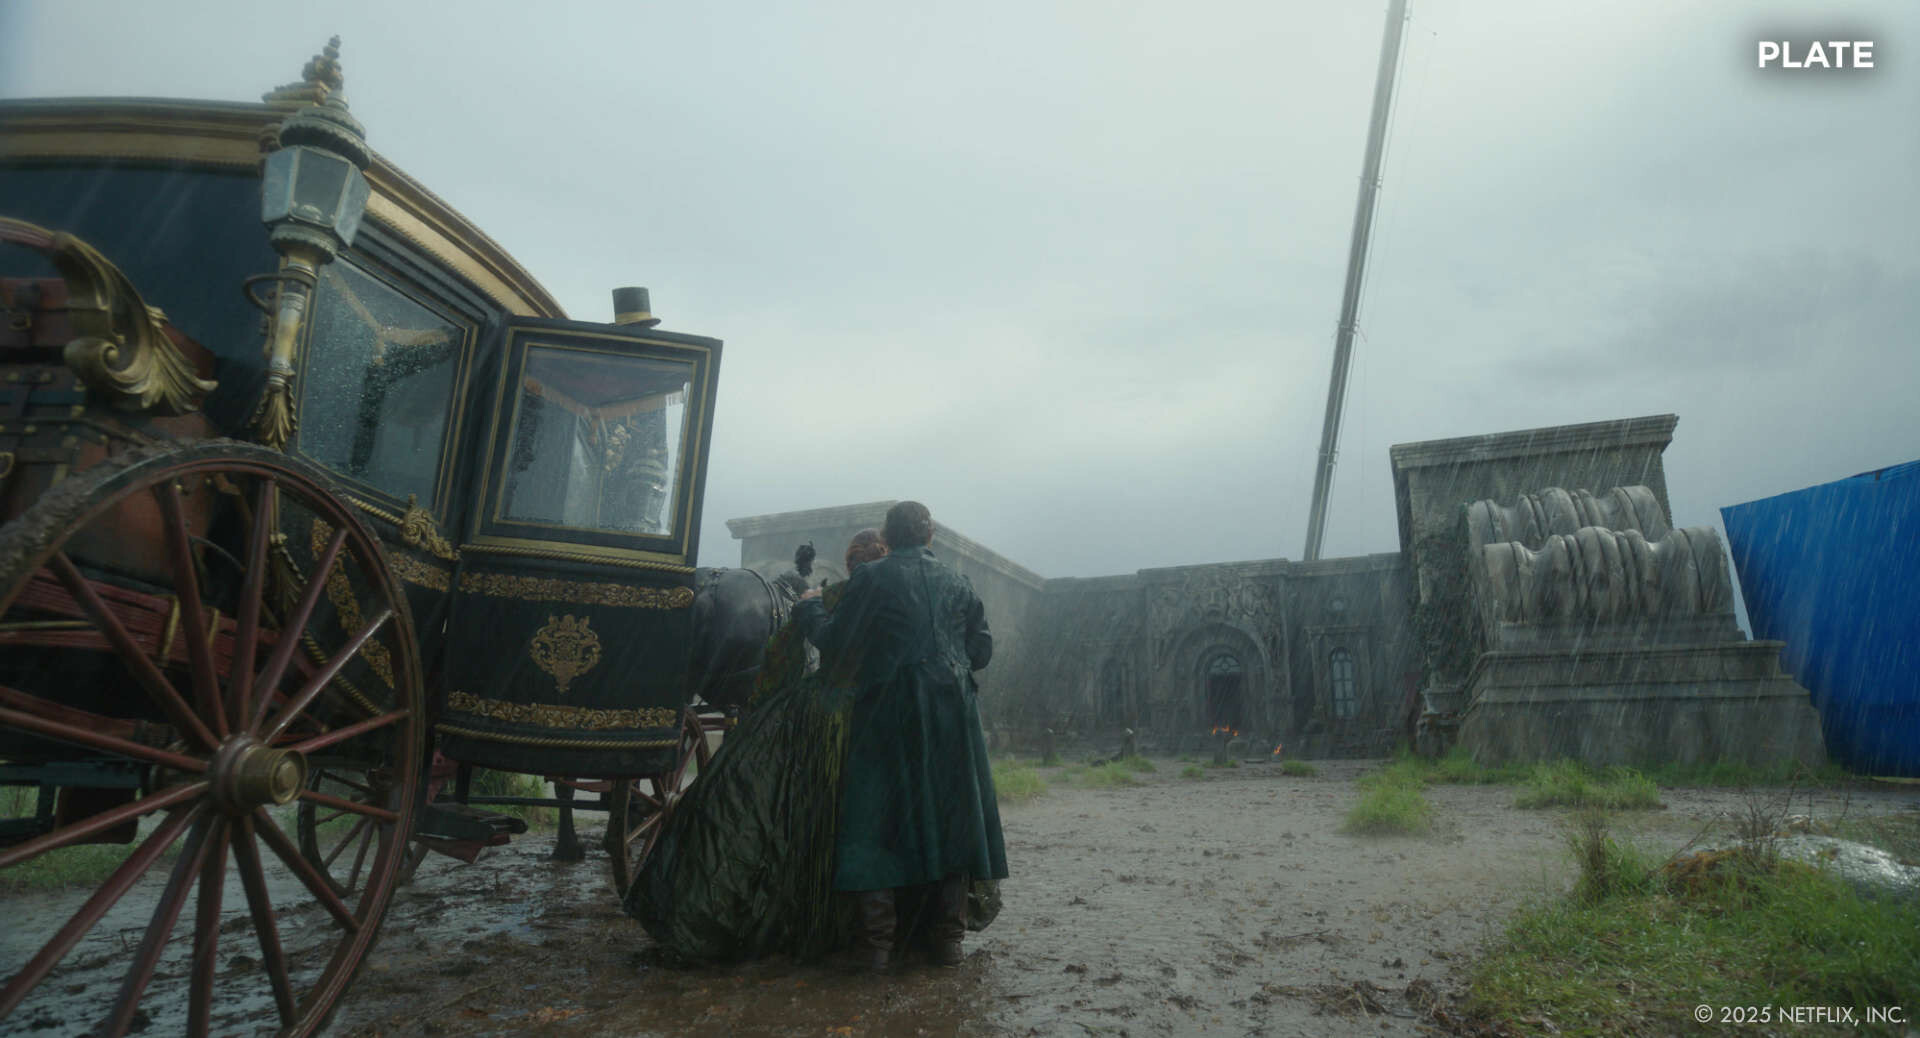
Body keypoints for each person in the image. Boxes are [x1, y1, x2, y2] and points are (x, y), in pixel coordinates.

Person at [624, 530, 890, 963]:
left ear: (849, 564)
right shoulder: (893, 602)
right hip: (873, 715)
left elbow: (785, 656)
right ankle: (864, 932)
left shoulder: (829, 597)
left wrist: (805, 615)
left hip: (819, 710)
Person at [792, 501, 1008, 970]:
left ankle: (876, 946)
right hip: (953, 711)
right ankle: (947, 941)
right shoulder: (959, 581)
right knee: (952, 816)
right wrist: (946, 659)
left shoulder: (872, 578)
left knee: (874, 814)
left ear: (889, 538)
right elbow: (981, 651)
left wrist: (808, 608)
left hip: (889, 707)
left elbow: (836, 642)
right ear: (930, 537)